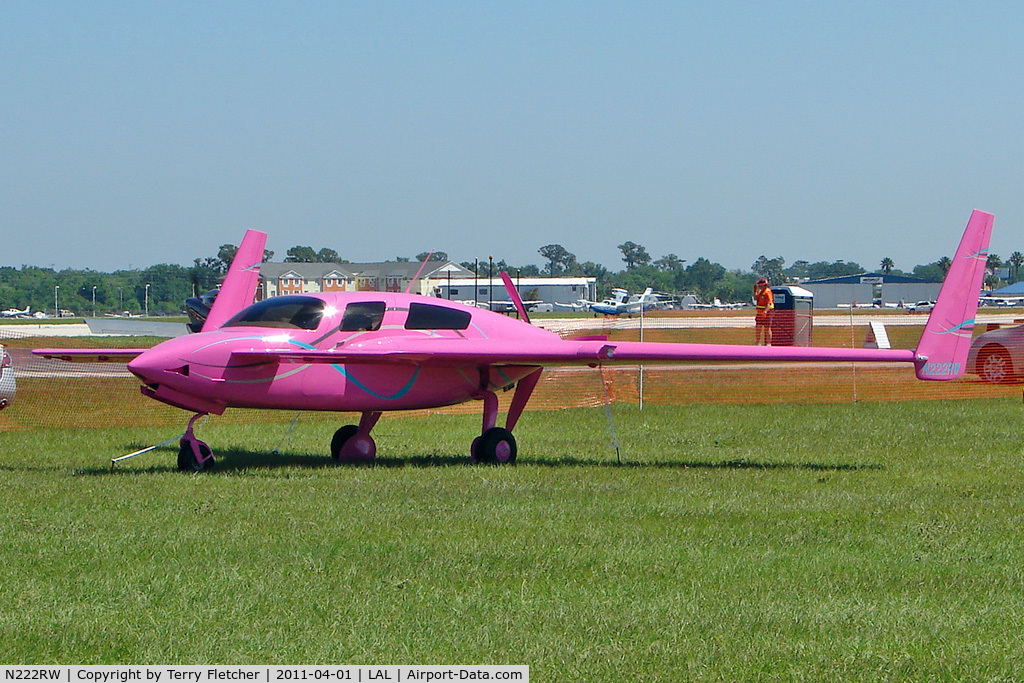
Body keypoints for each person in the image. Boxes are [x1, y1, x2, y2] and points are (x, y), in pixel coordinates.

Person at [753, 277, 774, 345]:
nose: (759, 286)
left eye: (760, 285)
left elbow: (769, 303)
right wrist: (755, 291)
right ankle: (757, 342)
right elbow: (756, 298)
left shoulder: (767, 292)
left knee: (767, 328)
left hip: (767, 312)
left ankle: (768, 343)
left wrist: (765, 311)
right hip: (760, 312)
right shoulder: (760, 291)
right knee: (758, 327)